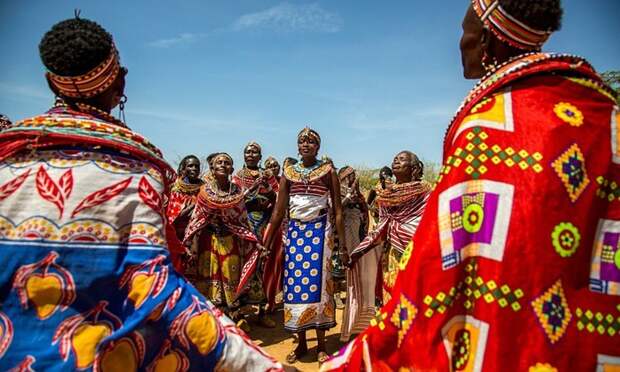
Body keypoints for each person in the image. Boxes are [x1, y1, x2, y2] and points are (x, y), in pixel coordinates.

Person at [322, 0, 620, 370]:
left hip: (508, 336)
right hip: (594, 341)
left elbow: (439, 266)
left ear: (489, 42)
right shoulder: (602, 113)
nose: (460, 43)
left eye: (466, 32)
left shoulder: (489, 130)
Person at [0, 16, 282, 371]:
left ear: (48, 81)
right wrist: (257, 364)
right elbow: (153, 290)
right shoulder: (134, 168)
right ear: (119, 82)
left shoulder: (8, 154)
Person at [263, 127, 347, 364]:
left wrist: (342, 246)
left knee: (320, 288)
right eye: (302, 141)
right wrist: (266, 243)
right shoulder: (288, 172)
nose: (305, 145)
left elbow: (338, 211)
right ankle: (301, 344)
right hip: (295, 234)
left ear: (318, 147)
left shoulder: (328, 171)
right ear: (297, 146)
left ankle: (321, 345)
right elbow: (279, 212)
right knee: (295, 287)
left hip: (321, 233)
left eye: (311, 142)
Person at [183, 153, 264, 333]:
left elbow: (243, 221)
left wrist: (254, 241)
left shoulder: (237, 192)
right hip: (209, 243)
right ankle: (213, 321)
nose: (222, 165)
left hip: (231, 242)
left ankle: (234, 319)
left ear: (231, 169)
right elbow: (196, 219)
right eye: (219, 162)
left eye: (227, 163)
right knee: (210, 283)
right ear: (212, 169)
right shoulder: (204, 193)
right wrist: (190, 243)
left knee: (231, 281)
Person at [350, 151, 430, 305]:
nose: (396, 161)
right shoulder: (386, 194)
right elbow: (382, 223)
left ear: (413, 168)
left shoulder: (424, 191)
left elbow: (430, 219)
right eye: (395, 159)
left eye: (402, 159)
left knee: (414, 292)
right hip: (392, 250)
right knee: (392, 290)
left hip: (416, 249)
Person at [232, 142, 280, 328]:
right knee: (242, 266)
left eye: (255, 152)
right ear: (243, 155)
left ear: (260, 157)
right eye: (248, 152)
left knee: (261, 266)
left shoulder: (266, 177)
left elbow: (276, 198)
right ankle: (239, 314)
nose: (251, 154)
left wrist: (264, 196)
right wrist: (251, 198)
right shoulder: (237, 177)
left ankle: (261, 313)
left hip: (262, 227)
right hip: (243, 225)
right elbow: (235, 201)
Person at [337, 166, 374, 342]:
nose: (351, 178)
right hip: (342, 237)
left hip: (357, 234)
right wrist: (348, 196)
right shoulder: (337, 192)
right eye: (348, 176)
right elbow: (335, 212)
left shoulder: (358, 194)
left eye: (353, 176)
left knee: (358, 273)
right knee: (342, 273)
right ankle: (340, 298)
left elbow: (365, 211)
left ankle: (359, 315)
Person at [166, 155, 203, 273]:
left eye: (197, 166)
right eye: (190, 166)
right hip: (179, 238)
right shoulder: (176, 189)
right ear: (183, 169)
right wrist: (194, 207)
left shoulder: (205, 189)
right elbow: (174, 217)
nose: (194, 168)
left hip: (201, 238)